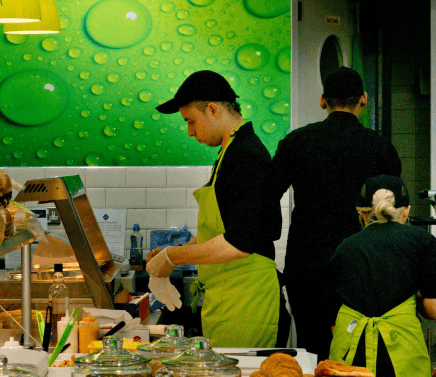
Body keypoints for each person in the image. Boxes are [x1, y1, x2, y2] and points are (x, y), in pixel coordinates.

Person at [271, 67, 401, 360]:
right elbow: (391, 214)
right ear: (364, 100)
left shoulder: (296, 142)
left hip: (306, 265)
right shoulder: (381, 149)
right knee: (357, 352)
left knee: (310, 350)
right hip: (360, 265)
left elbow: (266, 197)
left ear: (322, 101)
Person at [146, 70, 283, 348]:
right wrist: (170, 254)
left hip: (246, 299)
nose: (190, 132)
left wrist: (174, 256)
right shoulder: (229, 152)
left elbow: (240, 242)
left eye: (191, 121)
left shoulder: (244, 156)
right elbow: (225, 228)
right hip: (230, 295)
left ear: (213, 109)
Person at [329, 175, 436, 377]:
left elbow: (332, 319)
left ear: (362, 214)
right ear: (406, 211)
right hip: (400, 357)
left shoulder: (345, 247)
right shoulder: (422, 242)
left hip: (351, 359)